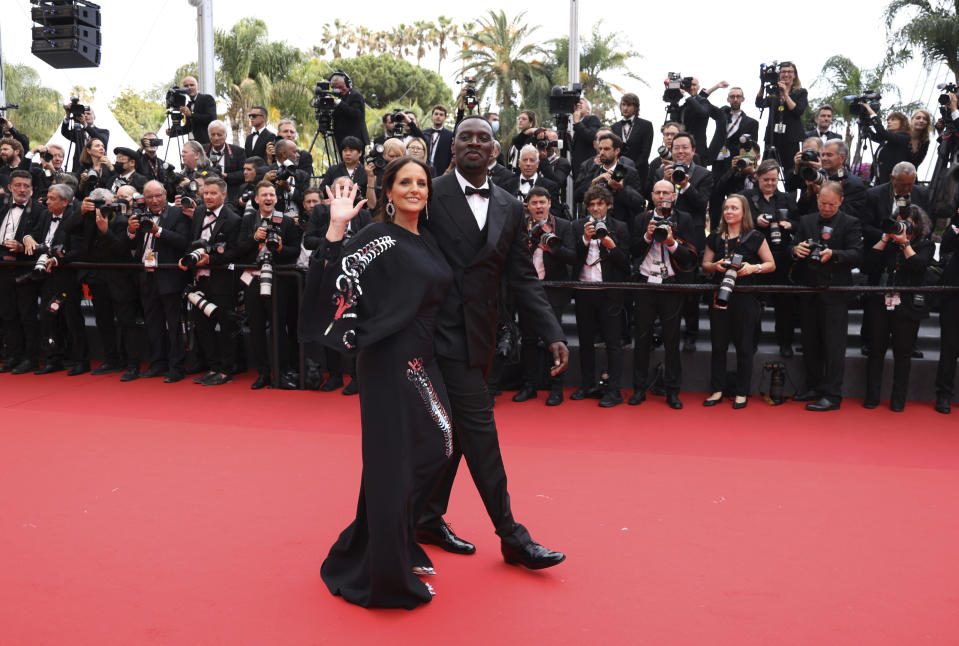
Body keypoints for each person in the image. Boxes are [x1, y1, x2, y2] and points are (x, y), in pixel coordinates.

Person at [416, 115, 568, 570]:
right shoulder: (429, 195)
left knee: (458, 434)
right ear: (453, 148)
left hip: (480, 337)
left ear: (496, 150)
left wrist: (552, 332)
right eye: (466, 138)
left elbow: (521, 276)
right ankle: (512, 535)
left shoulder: (509, 205)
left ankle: (425, 517)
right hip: (432, 334)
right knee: (478, 431)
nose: (475, 144)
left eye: (484, 137)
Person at [300, 159, 452, 608]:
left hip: (423, 359)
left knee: (438, 446)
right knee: (394, 465)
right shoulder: (377, 237)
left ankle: (393, 542)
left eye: (421, 183)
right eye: (405, 182)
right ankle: (387, 573)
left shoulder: (429, 238)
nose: (414, 189)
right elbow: (334, 277)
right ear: (388, 189)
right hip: (388, 362)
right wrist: (335, 229)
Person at [791, 182, 863, 411]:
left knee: (834, 346)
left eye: (831, 204)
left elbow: (858, 254)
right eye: (823, 203)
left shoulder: (850, 223)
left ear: (841, 201)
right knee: (810, 342)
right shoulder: (806, 221)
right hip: (808, 290)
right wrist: (796, 250)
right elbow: (791, 247)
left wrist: (834, 254)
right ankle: (813, 386)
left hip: (835, 293)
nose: (826, 208)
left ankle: (833, 394)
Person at [701, 194, 775, 408]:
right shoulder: (715, 237)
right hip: (720, 297)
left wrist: (753, 268)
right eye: (726, 208)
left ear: (744, 212)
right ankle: (717, 390)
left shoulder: (755, 237)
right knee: (718, 346)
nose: (729, 212)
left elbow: (771, 264)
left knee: (744, 347)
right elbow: (705, 264)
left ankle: (742, 391)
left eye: (734, 208)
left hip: (746, 298)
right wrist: (715, 266)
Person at [629, 180, 698, 409]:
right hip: (645, 283)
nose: (662, 196)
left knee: (672, 339)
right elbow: (632, 251)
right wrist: (648, 237)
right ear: (652, 195)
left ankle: (672, 391)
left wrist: (671, 243)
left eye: (666, 192)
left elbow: (690, 256)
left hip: (671, 283)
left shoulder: (684, 219)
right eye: (658, 192)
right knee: (641, 338)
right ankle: (639, 389)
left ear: (674, 195)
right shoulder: (641, 218)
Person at [861, 205, 934, 411]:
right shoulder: (888, 244)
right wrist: (885, 239)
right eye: (899, 221)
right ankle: (872, 398)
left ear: (918, 225)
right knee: (876, 351)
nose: (901, 226)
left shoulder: (924, 245)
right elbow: (867, 266)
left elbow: (919, 267)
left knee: (903, 354)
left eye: (908, 222)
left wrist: (905, 244)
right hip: (880, 304)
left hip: (908, 307)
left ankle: (898, 401)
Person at [512, 186, 575, 405]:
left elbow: (573, 257)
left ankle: (556, 388)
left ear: (549, 203)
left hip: (554, 291)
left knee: (554, 339)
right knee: (528, 340)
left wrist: (551, 248)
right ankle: (529, 385)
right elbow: (514, 257)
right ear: (527, 206)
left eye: (542, 202)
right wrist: (531, 242)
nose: (539, 207)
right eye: (534, 203)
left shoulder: (564, 225)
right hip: (528, 290)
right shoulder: (520, 226)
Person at [179, 177, 242, 386]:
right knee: (202, 327)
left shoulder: (233, 219)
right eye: (206, 193)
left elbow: (234, 252)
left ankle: (226, 371)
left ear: (223, 195)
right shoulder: (198, 213)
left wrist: (212, 259)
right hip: (199, 281)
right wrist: (187, 258)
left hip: (222, 282)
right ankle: (213, 367)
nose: (208, 197)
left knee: (225, 327)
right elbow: (191, 240)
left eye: (213, 193)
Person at [570, 185, 630, 407]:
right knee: (585, 341)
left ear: (608, 205)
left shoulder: (620, 227)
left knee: (613, 343)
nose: (595, 208)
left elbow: (626, 264)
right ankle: (587, 385)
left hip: (609, 293)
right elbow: (571, 258)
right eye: (592, 204)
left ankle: (613, 390)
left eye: (600, 204)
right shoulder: (577, 226)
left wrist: (612, 248)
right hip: (584, 291)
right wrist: (585, 241)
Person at [128, 180, 192, 382]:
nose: (154, 200)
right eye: (149, 197)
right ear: (144, 198)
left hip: (169, 275)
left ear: (166, 195)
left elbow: (184, 241)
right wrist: (130, 231)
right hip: (146, 275)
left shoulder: (177, 213)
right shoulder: (138, 214)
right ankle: (158, 363)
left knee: (173, 324)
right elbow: (130, 246)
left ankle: (176, 366)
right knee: (153, 323)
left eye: (158, 195)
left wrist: (158, 231)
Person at [743, 160, 799, 356]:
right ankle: (751, 340)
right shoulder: (746, 197)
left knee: (784, 302)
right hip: (754, 256)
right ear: (758, 177)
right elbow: (736, 221)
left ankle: (785, 342)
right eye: (766, 179)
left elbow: (800, 222)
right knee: (753, 303)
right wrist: (755, 222)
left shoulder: (787, 198)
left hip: (782, 256)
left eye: (774, 180)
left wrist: (789, 225)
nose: (770, 183)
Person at [0, 170, 44, 373]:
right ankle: (13, 355)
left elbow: (42, 239)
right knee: (7, 314)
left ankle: (31, 357)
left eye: (26, 186)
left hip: (24, 268)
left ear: (32, 189)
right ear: (10, 187)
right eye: (18, 185)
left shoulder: (40, 211)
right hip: (2, 268)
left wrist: (23, 245)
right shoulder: (2, 207)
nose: (22, 189)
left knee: (27, 314)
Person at [755, 61, 808, 165]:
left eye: (790, 72)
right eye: (783, 72)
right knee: (768, 168)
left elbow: (798, 111)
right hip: (772, 137)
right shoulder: (774, 90)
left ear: (795, 75)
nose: (786, 74)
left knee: (790, 170)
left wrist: (785, 94)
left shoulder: (800, 92)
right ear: (779, 74)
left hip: (791, 138)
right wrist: (762, 84)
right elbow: (759, 103)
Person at [935, 211, 959, 414]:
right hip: (953, 293)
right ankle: (943, 394)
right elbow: (946, 246)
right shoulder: (957, 222)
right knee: (949, 348)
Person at [861, 104, 912, 185]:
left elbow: (882, 132)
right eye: (888, 120)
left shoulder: (904, 138)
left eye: (893, 120)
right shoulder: (887, 139)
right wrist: (863, 123)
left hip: (893, 183)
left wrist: (871, 112)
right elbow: (874, 136)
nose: (889, 121)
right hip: (879, 181)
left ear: (902, 123)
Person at [611, 93, 654, 182]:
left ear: (636, 107)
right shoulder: (614, 127)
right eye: (623, 104)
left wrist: (630, 168)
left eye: (629, 105)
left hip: (639, 173)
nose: (625, 108)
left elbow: (645, 153)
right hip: (619, 173)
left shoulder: (646, 125)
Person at [204, 120, 247, 205]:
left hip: (231, 195)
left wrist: (227, 176)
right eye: (213, 134)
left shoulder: (237, 151)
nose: (216, 138)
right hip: (207, 194)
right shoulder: (202, 150)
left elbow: (244, 173)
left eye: (219, 135)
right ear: (209, 136)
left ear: (225, 136)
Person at [60, 105, 109, 172]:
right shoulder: (78, 132)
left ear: (94, 117)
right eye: (83, 114)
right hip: (79, 166)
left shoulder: (103, 131)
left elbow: (102, 140)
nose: (85, 115)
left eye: (88, 113)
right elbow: (65, 132)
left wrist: (85, 125)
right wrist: (67, 116)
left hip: (98, 166)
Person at [330, 72, 369, 150]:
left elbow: (355, 113)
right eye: (337, 88)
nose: (340, 90)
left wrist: (338, 103)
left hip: (355, 139)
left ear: (347, 84)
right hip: (341, 139)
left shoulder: (355, 95)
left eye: (342, 87)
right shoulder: (340, 97)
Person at [175, 76, 217, 145]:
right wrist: (173, 132)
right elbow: (187, 128)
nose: (189, 87)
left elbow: (212, 118)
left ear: (197, 86)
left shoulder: (207, 98)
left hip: (209, 144)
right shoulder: (188, 105)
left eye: (192, 85)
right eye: (186, 86)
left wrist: (191, 115)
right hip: (195, 145)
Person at [422, 105, 454, 176]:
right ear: (432, 116)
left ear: (445, 118)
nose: (438, 116)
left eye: (441, 114)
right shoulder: (424, 133)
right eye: (436, 114)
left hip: (442, 173)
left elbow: (452, 155)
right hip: (424, 170)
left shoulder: (450, 135)